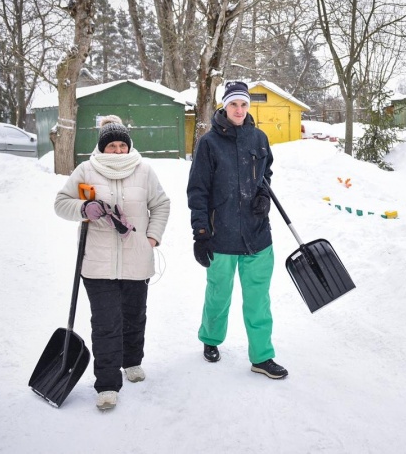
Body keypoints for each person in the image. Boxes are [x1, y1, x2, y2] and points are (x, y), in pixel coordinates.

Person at [54, 115, 170, 410]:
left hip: (137, 260)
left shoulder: (143, 171)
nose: (117, 150)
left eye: (122, 145)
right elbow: (61, 202)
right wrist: (83, 207)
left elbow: (161, 204)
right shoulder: (86, 171)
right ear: (102, 147)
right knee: (105, 324)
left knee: (134, 317)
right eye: (112, 146)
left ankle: (131, 361)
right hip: (97, 263)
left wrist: (152, 238)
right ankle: (106, 384)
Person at [186, 81, 287, 380]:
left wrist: (263, 196)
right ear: (224, 106)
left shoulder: (259, 138)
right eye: (234, 105)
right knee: (219, 295)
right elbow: (197, 190)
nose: (239, 110)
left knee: (259, 300)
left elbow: (266, 173)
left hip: (257, 235)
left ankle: (262, 357)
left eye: (244, 105)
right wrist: (201, 233)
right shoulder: (209, 143)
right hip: (221, 235)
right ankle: (211, 338)